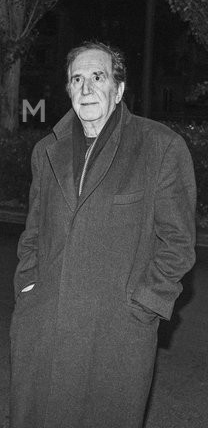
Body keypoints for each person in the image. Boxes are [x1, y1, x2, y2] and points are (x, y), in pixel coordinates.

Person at [10, 41, 197, 428]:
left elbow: (178, 244)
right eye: (77, 79)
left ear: (119, 88)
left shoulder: (159, 147)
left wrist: (145, 305)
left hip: (115, 333)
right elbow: (34, 232)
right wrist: (28, 287)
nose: (87, 88)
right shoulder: (47, 151)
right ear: (68, 89)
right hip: (45, 325)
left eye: (98, 77)